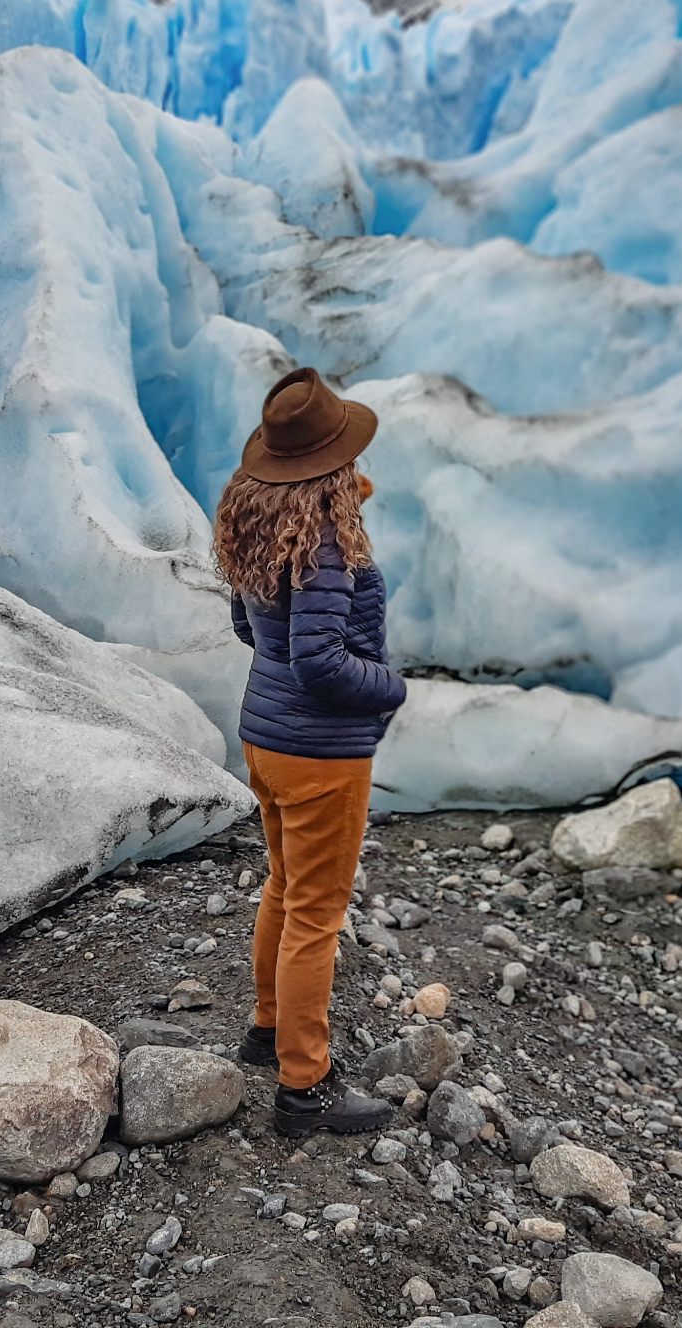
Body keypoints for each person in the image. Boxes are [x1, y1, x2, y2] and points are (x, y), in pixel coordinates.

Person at [213, 366, 405, 1136]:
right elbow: (321, 661)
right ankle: (305, 1086)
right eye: (347, 459)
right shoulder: (322, 544)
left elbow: (247, 629)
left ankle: (267, 1028)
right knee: (316, 916)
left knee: (284, 890)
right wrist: (389, 686)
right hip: (322, 755)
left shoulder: (260, 526)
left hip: (266, 739)